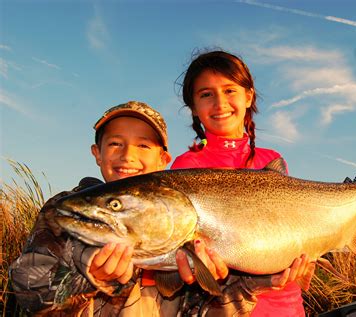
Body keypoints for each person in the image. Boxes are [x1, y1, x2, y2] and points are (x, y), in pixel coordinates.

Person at [9, 101, 229, 316]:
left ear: (163, 159)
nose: (127, 156)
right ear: (97, 152)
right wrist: (90, 279)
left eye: (143, 145)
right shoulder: (65, 210)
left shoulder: (186, 211)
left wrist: (213, 279)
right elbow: (28, 291)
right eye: (115, 143)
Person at [172, 50, 315, 316]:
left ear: (248, 96)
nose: (219, 103)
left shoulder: (272, 160)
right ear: (193, 106)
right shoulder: (185, 167)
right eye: (206, 94)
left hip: (287, 308)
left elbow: (292, 229)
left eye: (229, 90)